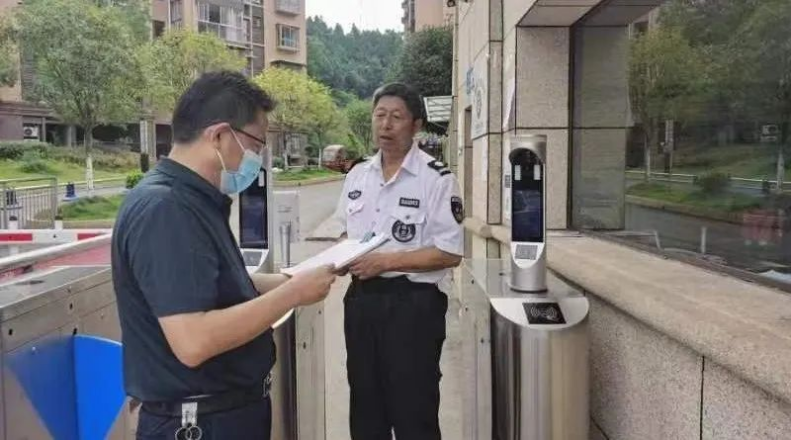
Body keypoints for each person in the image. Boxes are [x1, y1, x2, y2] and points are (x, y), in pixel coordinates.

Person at [111, 71, 337, 440]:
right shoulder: (167, 209)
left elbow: (216, 284)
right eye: (256, 145)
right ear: (218, 135)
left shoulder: (194, 200)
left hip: (224, 415)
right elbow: (194, 340)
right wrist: (293, 294)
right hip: (199, 423)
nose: (257, 158)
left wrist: (290, 278)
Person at [333, 82, 464, 440]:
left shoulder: (437, 179)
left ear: (416, 125)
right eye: (379, 115)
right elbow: (346, 234)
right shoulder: (358, 175)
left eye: (396, 117)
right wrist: (342, 257)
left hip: (414, 308)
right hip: (361, 302)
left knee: (414, 408)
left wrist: (386, 262)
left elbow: (450, 252)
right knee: (365, 404)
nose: (386, 125)